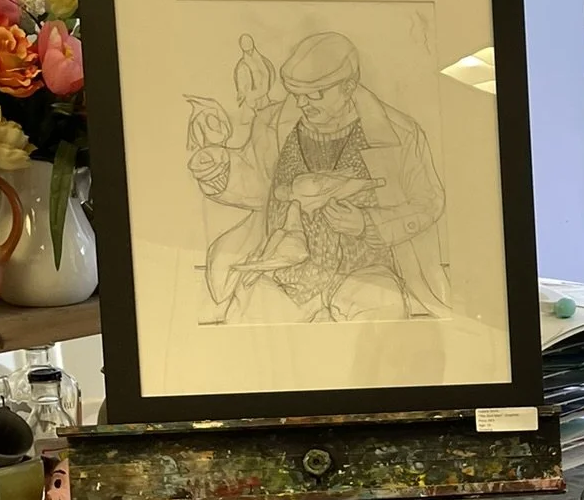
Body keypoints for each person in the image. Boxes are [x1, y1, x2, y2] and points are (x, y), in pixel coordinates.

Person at [187, 31, 448, 323]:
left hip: (366, 273)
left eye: (315, 95)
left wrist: (368, 223)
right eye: (297, 95)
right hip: (284, 273)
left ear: (348, 86)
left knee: (382, 322)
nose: (302, 104)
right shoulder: (272, 124)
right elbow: (256, 181)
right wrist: (220, 169)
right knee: (248, 326)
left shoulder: (401, 133)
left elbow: (428, 202)